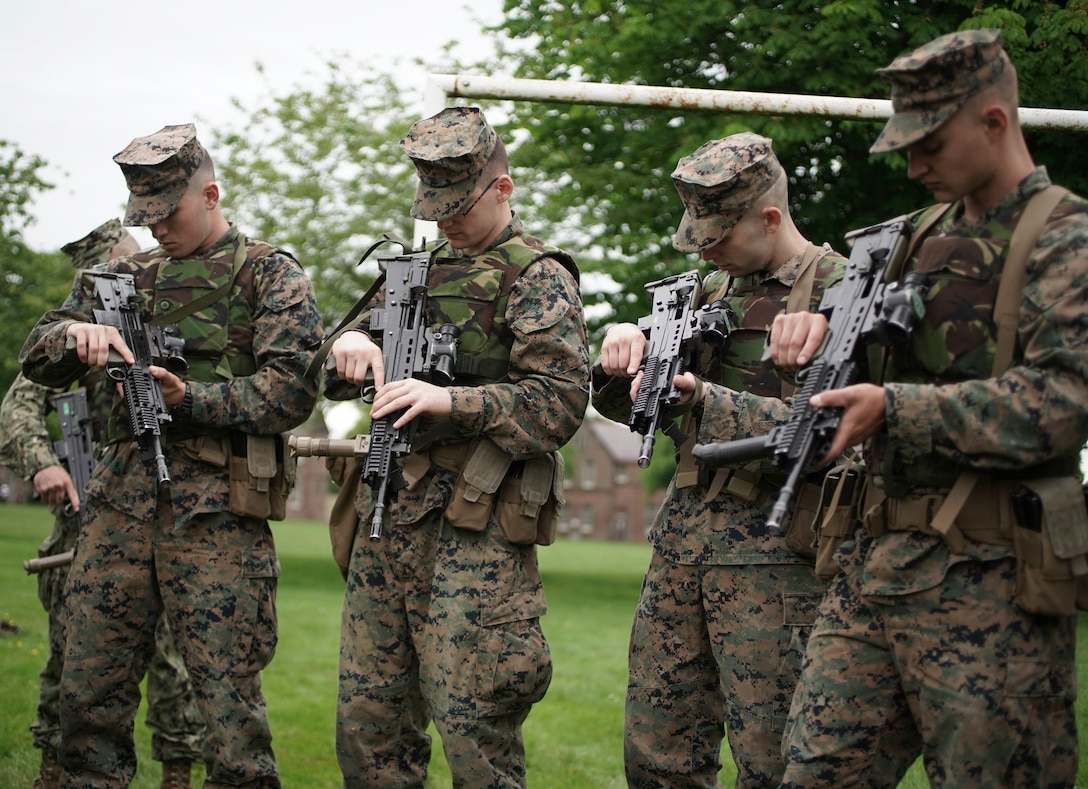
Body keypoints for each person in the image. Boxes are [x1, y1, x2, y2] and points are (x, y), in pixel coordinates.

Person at [767, 30, 1088, 786]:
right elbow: (864, 363)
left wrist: (896, 407)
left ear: (995, 122)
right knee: (815, 771)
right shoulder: (910, 238)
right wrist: (820, 340)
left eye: (931, 145)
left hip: (994, 581)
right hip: (873, 567)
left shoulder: (1064, 238)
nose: (914, 167)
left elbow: (1064, 401)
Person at [19, 124, 323, 788]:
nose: (155, 228)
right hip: (119, 510)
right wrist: (75, 334)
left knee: (228, 710)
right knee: (87, 694)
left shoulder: (268, 273)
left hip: (218, 518)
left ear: (211, 194)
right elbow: (36, 355)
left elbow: (293, 388)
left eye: (168, 213)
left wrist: (193, 399)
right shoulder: (120, 277)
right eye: (143, 216)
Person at [322, 106, 590, 788]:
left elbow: (560, 402)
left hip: (477, 534)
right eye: (433, 206)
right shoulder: (410, 273)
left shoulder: (537, 277)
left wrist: (454, 400)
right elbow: (319, 369)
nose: (445, 221)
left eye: (459, 206)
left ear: (502, 188)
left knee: (476, 730)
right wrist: (346, 344)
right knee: (368, 725)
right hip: (388, 519)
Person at [591, 133, 849, 787]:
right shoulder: (705, 289)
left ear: (770, 217)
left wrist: (706, 398)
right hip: (683, 548)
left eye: (719, 235)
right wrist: (623, 356)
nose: (706, 249)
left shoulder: (839, 289)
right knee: (657, 753)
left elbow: (840, 430)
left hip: (781, 563)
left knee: (775, 762)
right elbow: (645, 413)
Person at [0, 218, 206, 789]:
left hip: (171, 504)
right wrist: (41, 464)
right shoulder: (76, 326)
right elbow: (19, 406)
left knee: (173, 659)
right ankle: (53, 767)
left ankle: (178, 772)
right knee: (73, 651)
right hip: (89, 510)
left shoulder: (178, 306)